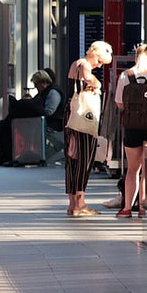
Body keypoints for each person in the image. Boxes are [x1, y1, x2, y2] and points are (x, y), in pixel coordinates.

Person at [63, 39, 113, 217]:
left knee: (71, 159)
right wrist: (97, 84)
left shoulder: (75, 63)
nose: (99, 66)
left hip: (70, 117)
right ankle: (80, 203)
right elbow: (87, 76)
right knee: (84, 159)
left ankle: (72, 203)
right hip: (83, 120)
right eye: (100, 61)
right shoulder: (84, 65)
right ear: (95, 54)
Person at [114, 43, 147, 217]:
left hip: (132, 127)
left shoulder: (125, 75)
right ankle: (143, 208)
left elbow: (119, 102)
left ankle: (127, 207)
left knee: (132, 169)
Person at [0, 69, 59, 165]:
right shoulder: (45, 92)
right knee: (9, 122)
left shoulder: (53, 93)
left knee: (13, 116)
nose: (36, 88)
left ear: (43, 83)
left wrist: (30, 106)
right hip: (38, 120)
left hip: (50, 123)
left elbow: (49, 112)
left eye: (36, 85)